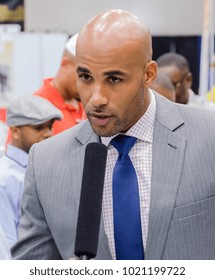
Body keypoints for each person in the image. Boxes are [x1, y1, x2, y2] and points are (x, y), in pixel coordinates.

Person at [12, 9, 215, 260]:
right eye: (85, 77)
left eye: (114, 79)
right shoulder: (45, 162)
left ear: (148, 74)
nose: (96, 98)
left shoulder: (209, 137)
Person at [0, 95, 62, 248]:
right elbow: (7, 245)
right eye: (39, 127)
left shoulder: (47, 169)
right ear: (15, 132)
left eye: (50, 126)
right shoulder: (5, 179)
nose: (48, 133)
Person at [34, 33, 86, 135]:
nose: (88, 85)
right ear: (65, 63)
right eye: (84, 76)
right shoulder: (36, 106)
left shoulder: (88, 102)